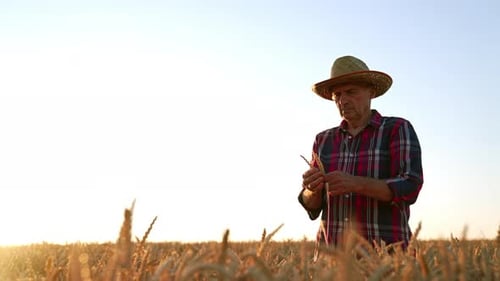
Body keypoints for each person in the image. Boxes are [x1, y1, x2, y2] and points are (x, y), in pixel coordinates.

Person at [298, 55, 423, 253]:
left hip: (389, 261)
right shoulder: (323, 140)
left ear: (371, 92)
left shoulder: (397, 128)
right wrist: (312, 189)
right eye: (337, 95)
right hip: (332, 263)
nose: (343, 100)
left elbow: (410, 186)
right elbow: (312, 206)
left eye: (350, 92)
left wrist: (356, 183)